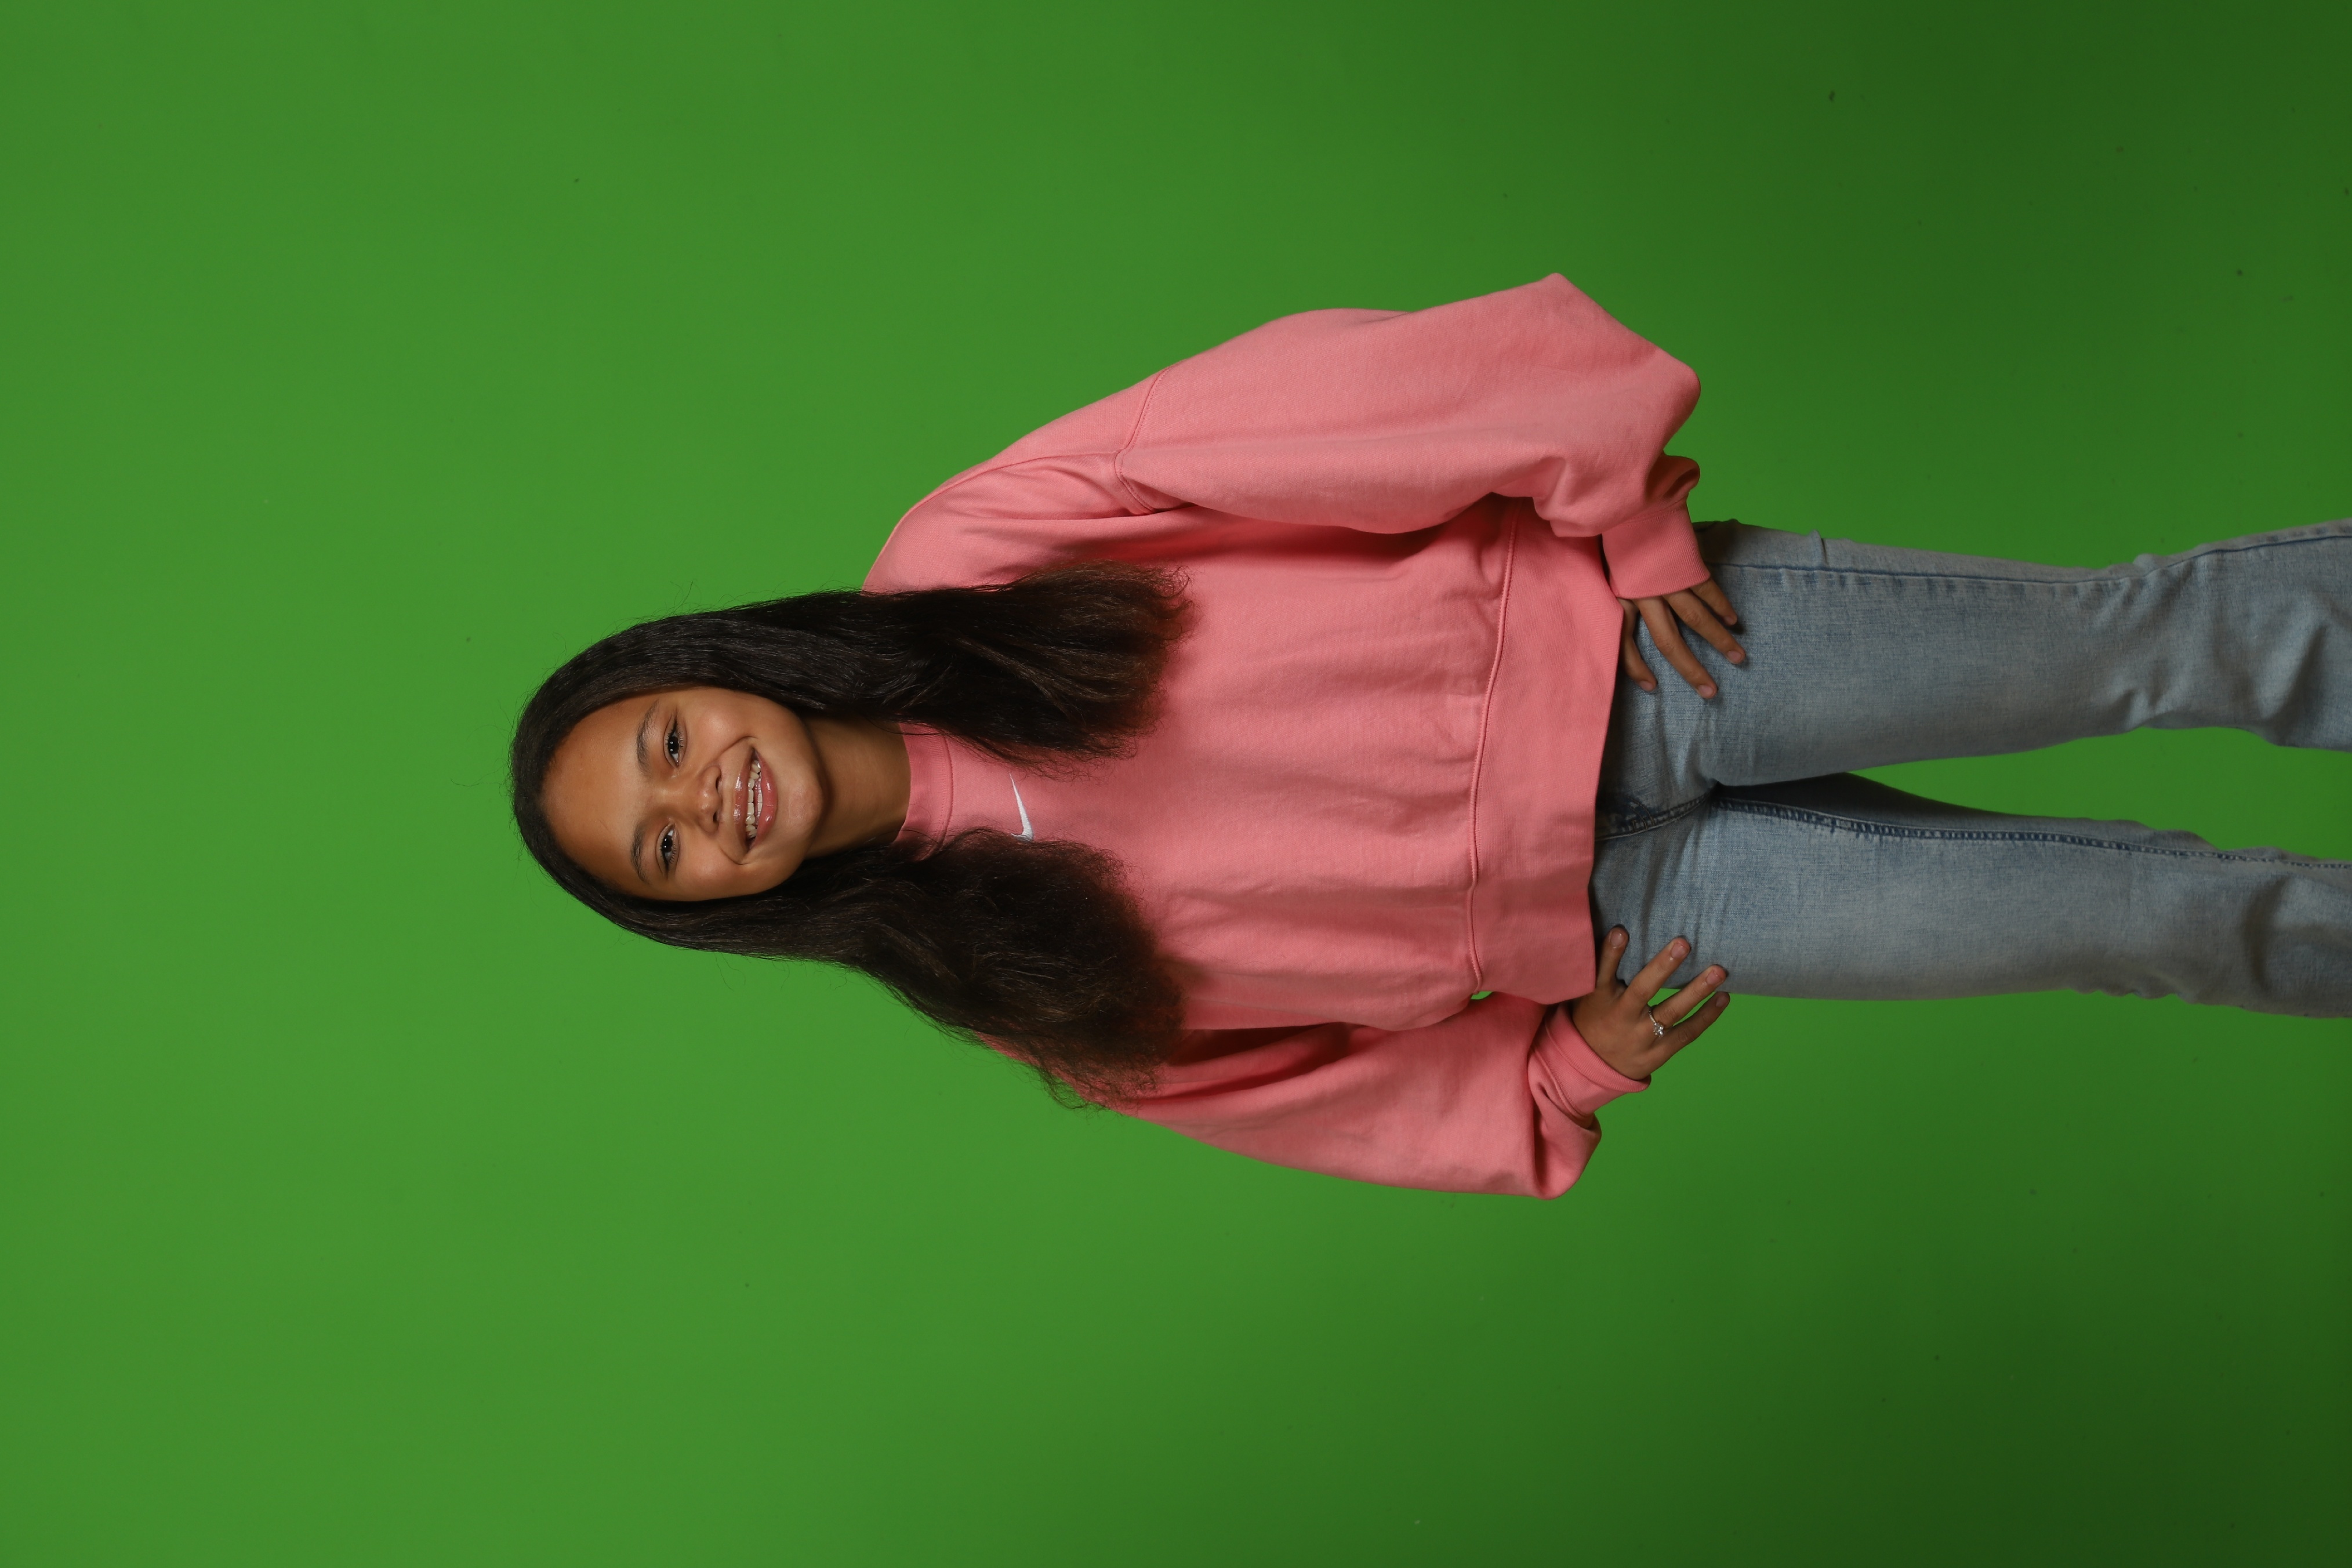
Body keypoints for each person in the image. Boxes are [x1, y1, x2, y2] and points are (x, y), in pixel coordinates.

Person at [511, 275, 2352, 1197]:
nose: (704, 800)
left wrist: (1620, 514)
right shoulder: (992, 979)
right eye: (663, 848)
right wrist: (1553, 1081)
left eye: (664, 742)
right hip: (1637, 919)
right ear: (710, 908)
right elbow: (1303, 1099)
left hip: (1659, 656)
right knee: (2145, 928)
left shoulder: (961, 557)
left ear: (706, 667)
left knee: (2152, 648)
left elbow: (1297, 413)